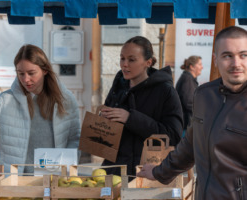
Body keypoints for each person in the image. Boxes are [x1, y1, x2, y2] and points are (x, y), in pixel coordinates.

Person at [137, 26, 247, 200]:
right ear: (215, 59)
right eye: (227, 56)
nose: (236, 64)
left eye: (243, 55)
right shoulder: (204, 95)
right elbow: (190, 144)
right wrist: (159, 171)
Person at [0, 44, 81, 173]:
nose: (26, 79)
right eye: (20, 74)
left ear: (45, 70)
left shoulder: (65, 99)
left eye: (31, 73)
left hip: (53, 180)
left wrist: (66, 169)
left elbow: (74, 139)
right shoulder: (5, 100)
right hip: (14, 182)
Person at [100, 36, 183, 178]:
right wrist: (101, 122)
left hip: (148, 173)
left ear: (148, 62)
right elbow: (106, 136)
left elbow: (173, 136)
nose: (124, 64)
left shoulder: (165, 91)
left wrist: (130, 118)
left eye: (131, 60)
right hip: (114, 172)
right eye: (122, 58)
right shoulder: (118, 87)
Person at [176, 55, 203, 137]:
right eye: (199, 64)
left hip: (186, 123)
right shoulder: (187, 79)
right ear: (192, 67)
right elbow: (189, 102)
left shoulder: (188, 78)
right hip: (186, 124)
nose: (202, 67)